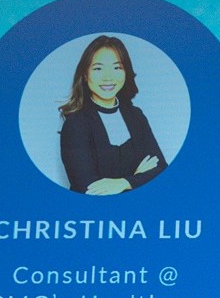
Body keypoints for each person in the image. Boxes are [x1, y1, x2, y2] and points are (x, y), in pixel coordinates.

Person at [59, 35, 168, 195]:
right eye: (98, 68)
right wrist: (137, 177)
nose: (108, 77)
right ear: (85, 75)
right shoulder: (75, 124)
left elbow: (161, 169)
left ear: (126, 72)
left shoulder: (136, 116)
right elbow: (89, 190)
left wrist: (124, 183)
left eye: (117, 68)